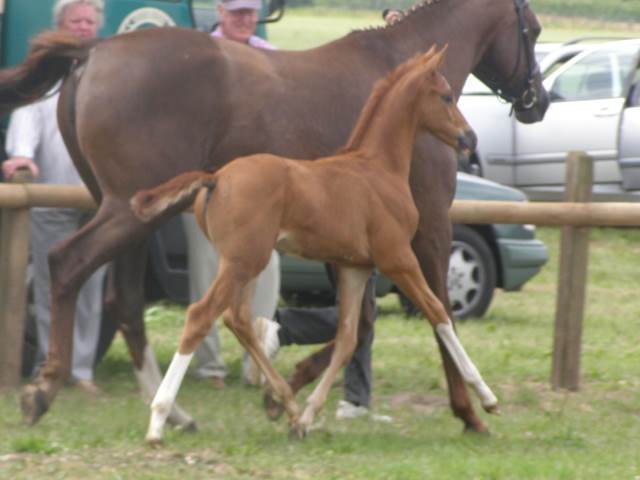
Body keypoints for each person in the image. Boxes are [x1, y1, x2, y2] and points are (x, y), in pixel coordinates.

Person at [2, 0, 106, 394]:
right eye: (75, 20)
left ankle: (82, 371)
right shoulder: (46, 76)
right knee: (50, 286)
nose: (82, 27)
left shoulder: (111, 76)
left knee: (92, 288)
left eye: (88, 21)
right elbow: (25, 123)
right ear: (59, 26)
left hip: (98, 204)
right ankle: (52, 363)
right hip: (52, 201)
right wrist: (22, 157)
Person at [183, 0, 277, 389]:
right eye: (237, 10)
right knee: (208, 272)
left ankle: (256, 361)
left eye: (251, 10)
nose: (245, 18)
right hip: (212, 185)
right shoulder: (199, 58)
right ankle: (209, 367)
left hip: (261, 192)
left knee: (267, 272)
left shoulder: (274, 59)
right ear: (219, 10)